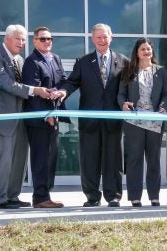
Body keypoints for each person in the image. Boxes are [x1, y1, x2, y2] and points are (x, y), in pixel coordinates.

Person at [0, 25, 53, 209]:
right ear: (7, 38)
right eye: (18, 39)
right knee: (4, 159)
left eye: (23, 40)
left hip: (22, 117)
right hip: (4, 117)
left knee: (19, 160)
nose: (22, 43)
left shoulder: (20, 60)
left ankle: (13, 196)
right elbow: (5, 83)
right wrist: (34, 90)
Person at [62, 23, 129, 207]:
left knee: (113, 160)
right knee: (89, 160)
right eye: (98, 37)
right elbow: (72, 82)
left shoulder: (123, 61)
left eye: (105, 36)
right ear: (93, 39)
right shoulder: (83, 62)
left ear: (111, 37)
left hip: (113, 120)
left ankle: (113, 196)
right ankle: (92, 197)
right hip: (89, 121)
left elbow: (130, 87)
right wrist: (62, 93)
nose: (101, 40)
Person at [118, 38, 167, 207]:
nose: (146, 52)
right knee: (135, 159)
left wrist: (163, 106)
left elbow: (166, 95)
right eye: (143, 49)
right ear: (137, 52)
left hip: (155, 120)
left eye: (149, 49)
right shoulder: (128, 70)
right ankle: (135, 197)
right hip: (134, 121)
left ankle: (154, 196)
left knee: (154, 159)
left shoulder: (160, 71)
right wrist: (123, 104)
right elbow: (121, 94)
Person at [21, 27, 68, 209]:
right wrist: (46, 116)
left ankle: (45, 194)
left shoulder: (55, 58)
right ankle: (40, 198)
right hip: (40, 119)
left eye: (50, 38)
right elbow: (33, 91)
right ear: (34, 41)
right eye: (43, 39)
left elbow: (63, 79)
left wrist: (62, 92)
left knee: (50, 158)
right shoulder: (31, 62)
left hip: (54, 115)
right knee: (40, 159)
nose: (47, 41)